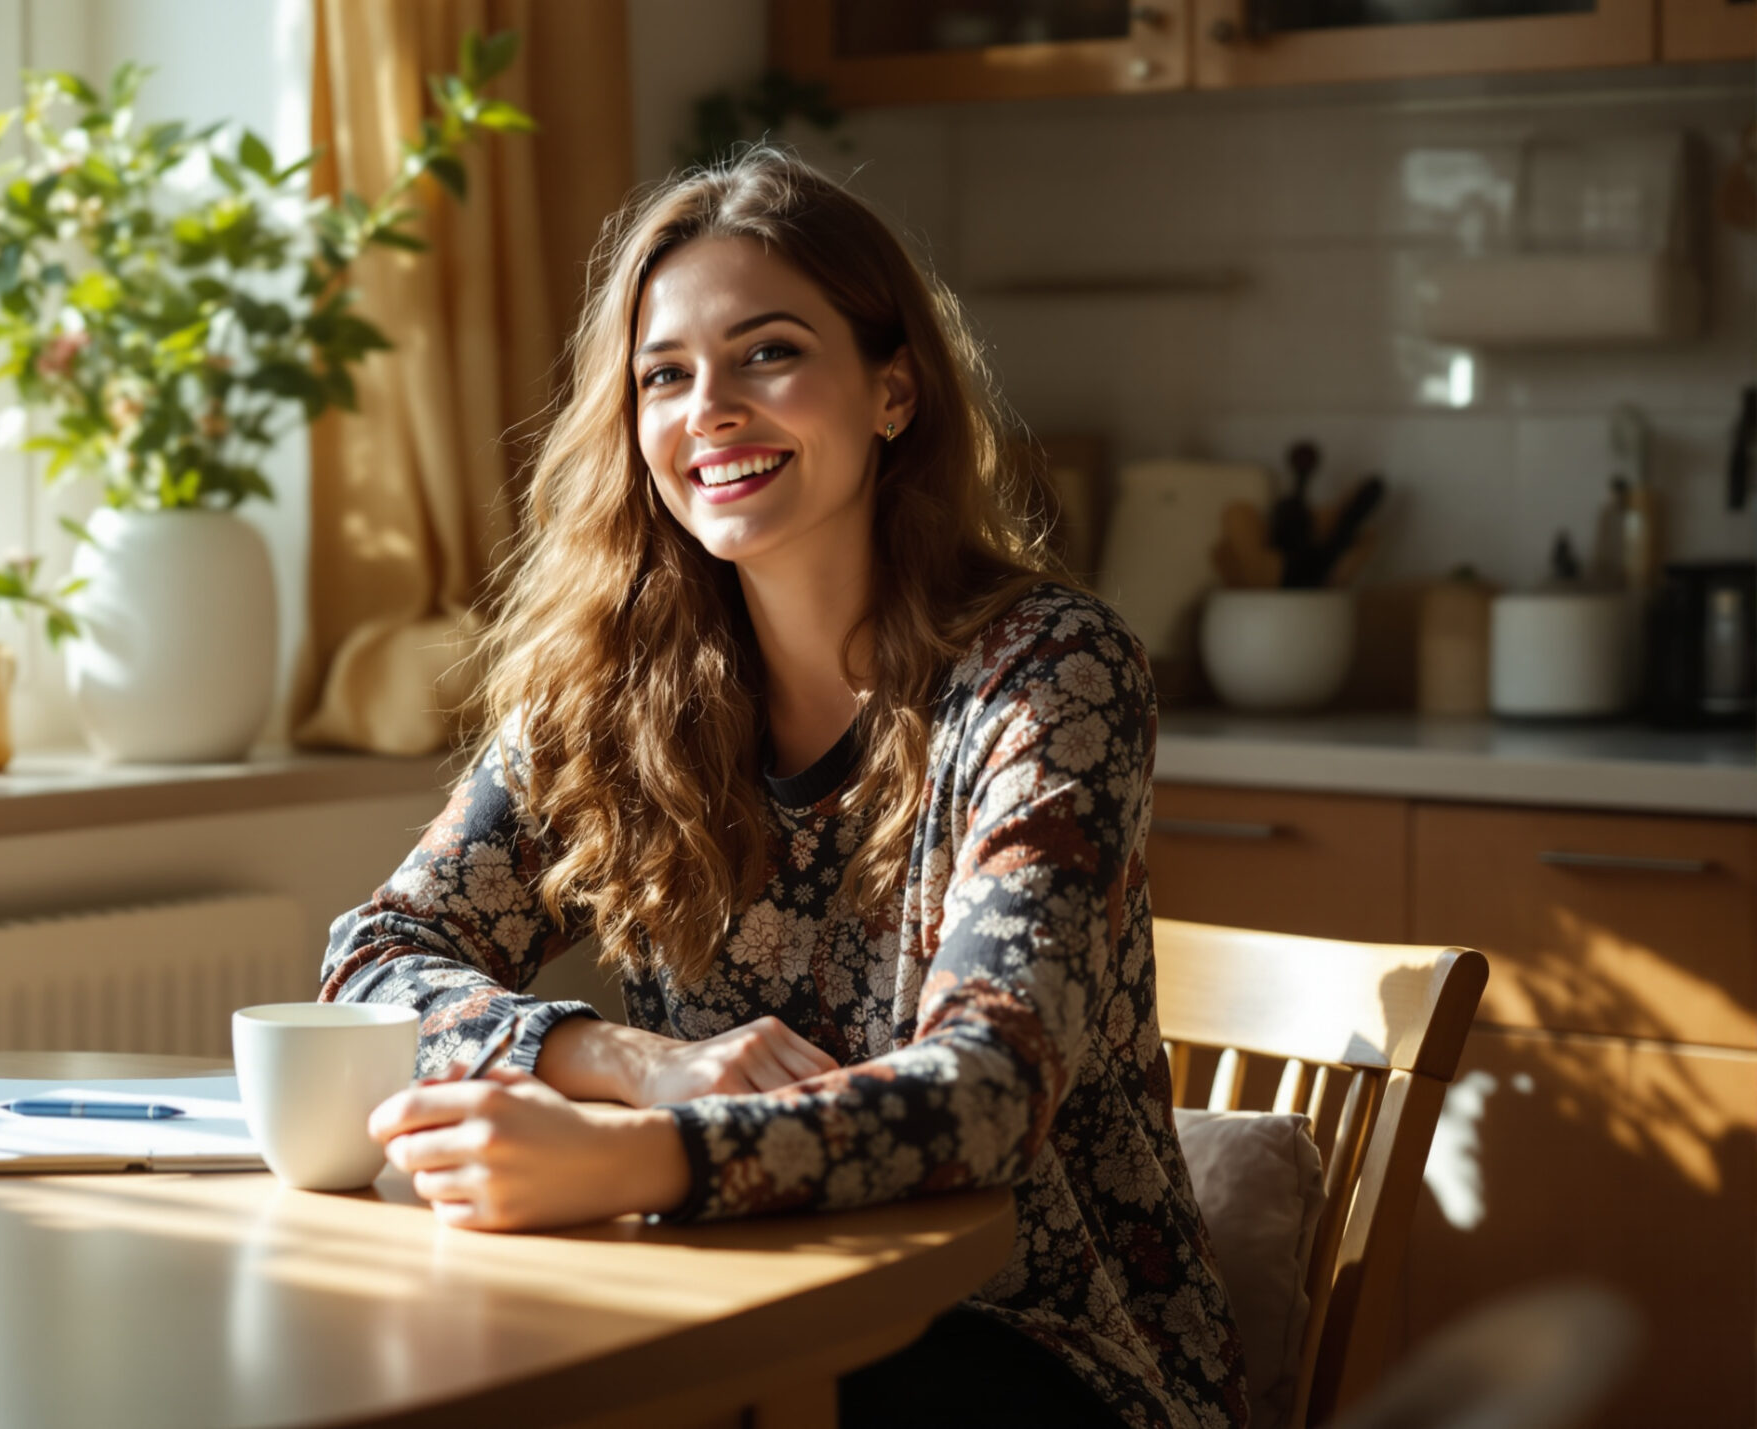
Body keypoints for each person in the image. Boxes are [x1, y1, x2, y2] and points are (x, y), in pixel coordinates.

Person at [317, 148, 1247, 1429]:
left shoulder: (1049, 672)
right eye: (663, 375)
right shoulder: (612, 692)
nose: (710, 409)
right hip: (717, 1307)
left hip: (1028, 1348)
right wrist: (632, 1064)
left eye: (767, 354)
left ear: (893, 392)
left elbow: (990, 1090)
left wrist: (635, 1157)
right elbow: (375, 958)